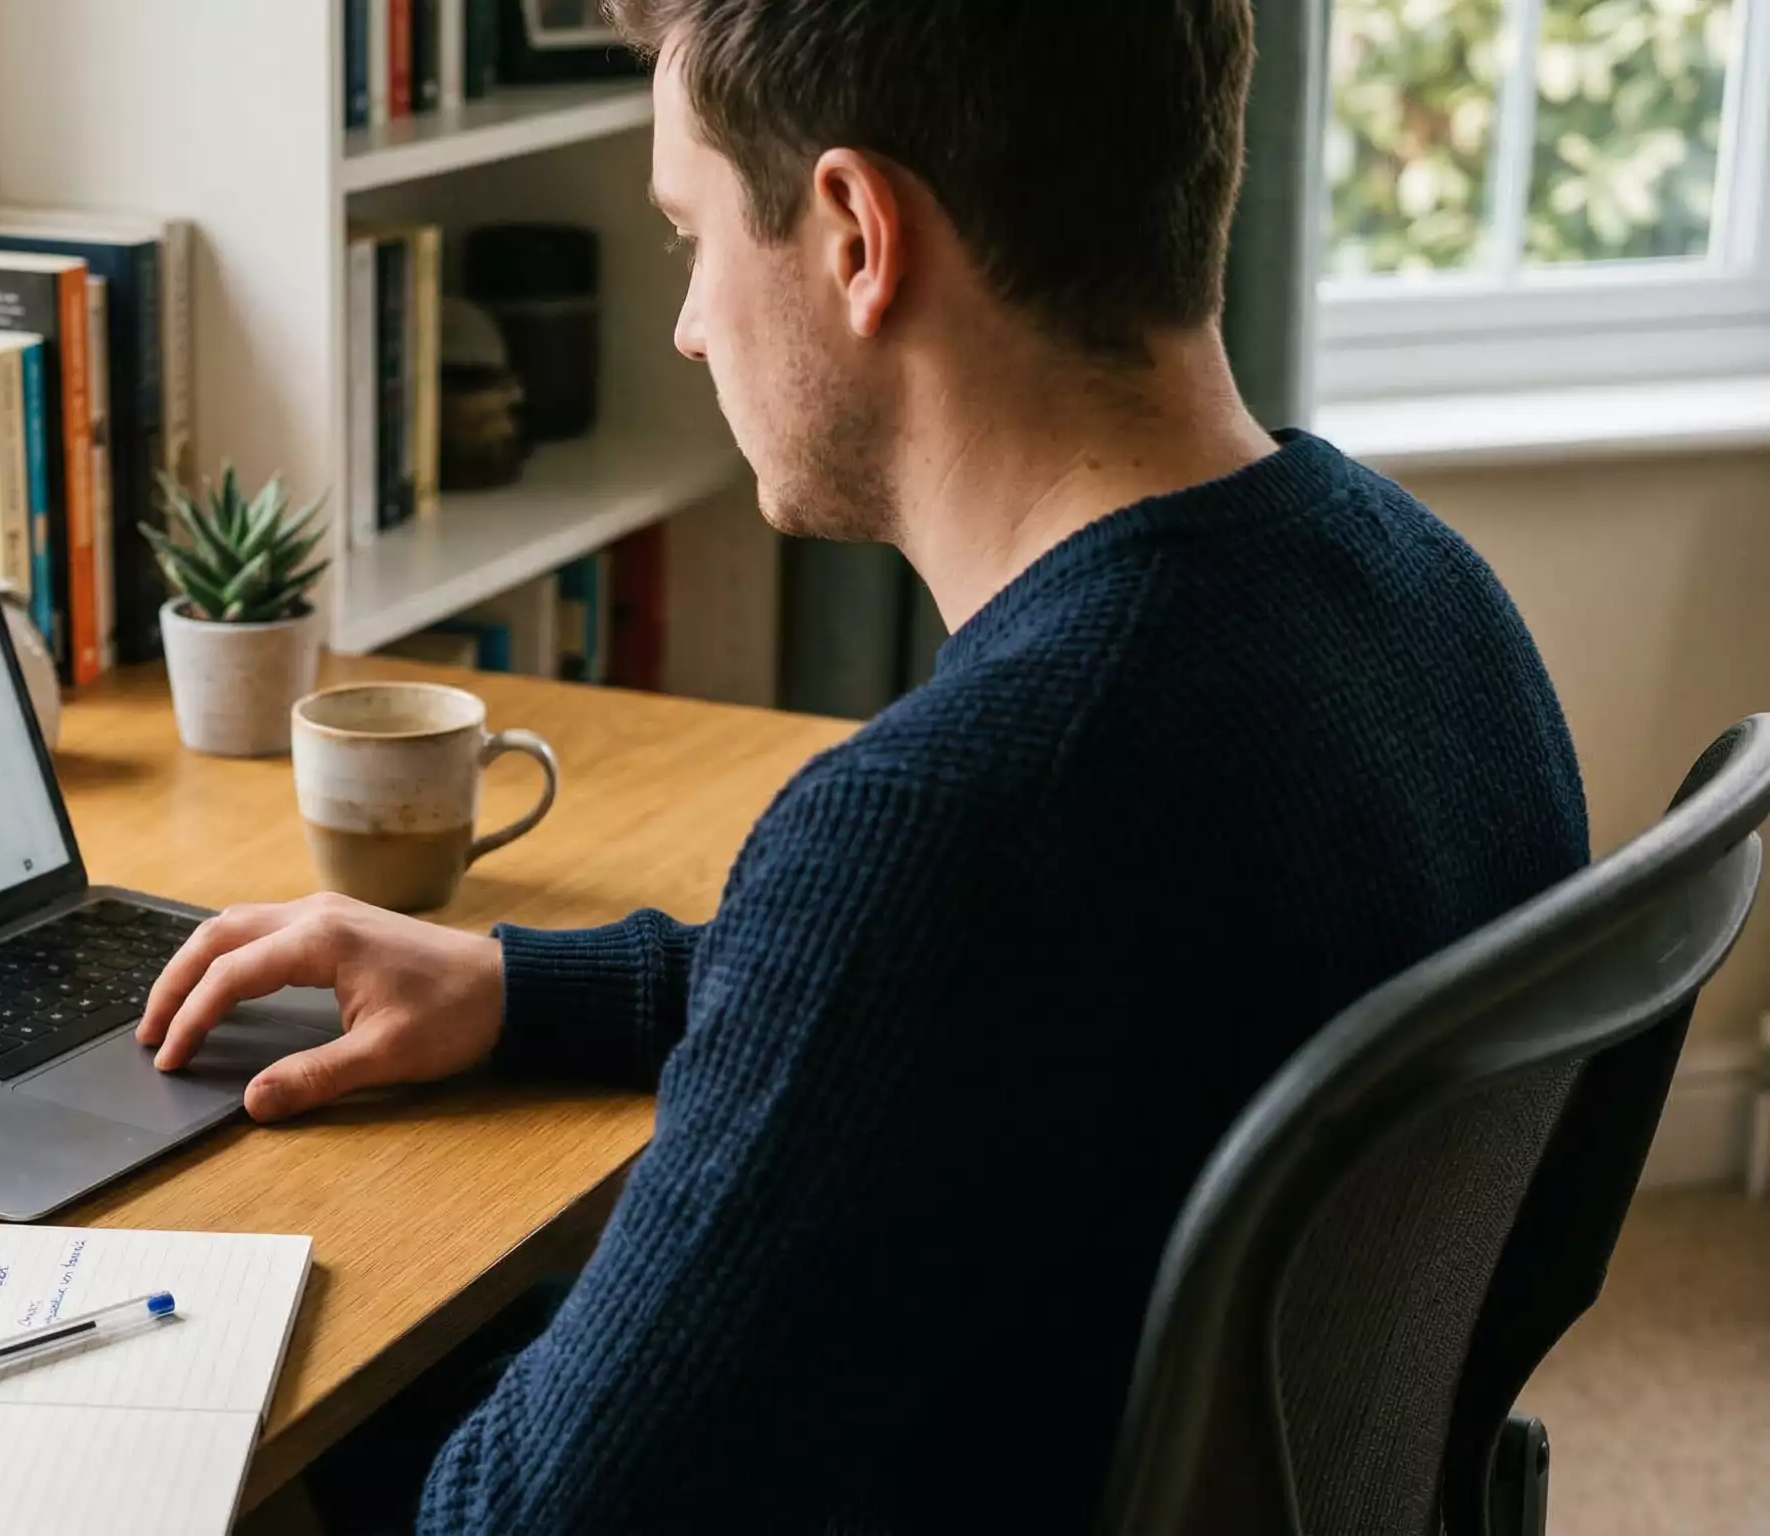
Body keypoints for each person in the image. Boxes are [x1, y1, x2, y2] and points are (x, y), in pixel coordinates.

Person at [141, 2, 1588, 1529]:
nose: (692, 322)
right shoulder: (1427, 599)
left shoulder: (954, 822)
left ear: (854, 235)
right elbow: (1007, 993)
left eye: (690, 236)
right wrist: (519, 988)